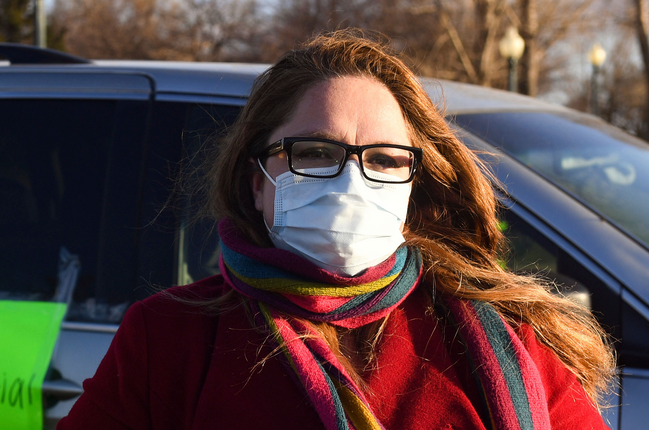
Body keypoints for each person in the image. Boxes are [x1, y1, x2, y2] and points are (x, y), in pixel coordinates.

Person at [58, 30, 614, 430]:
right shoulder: (170, 339)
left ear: (413, 181)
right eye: (316, 152)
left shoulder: (509, 341)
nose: (352, 181)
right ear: (257, 181)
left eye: (385, 158)